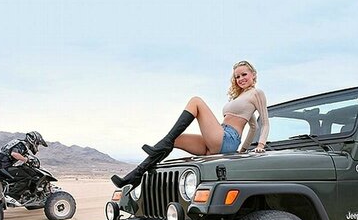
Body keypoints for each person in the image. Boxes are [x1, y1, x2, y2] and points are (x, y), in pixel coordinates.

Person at [112, 60, 269, 189]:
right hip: (218, 138)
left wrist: (259, 145)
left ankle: (163, 143)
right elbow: (252, 126)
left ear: (253, 75)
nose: (240, 78)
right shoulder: (240, 97)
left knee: (196, 101)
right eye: (237, 76)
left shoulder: (257, 93)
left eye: (244, 74)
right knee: (176, 139)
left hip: (227, 139)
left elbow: (264, 123)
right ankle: (136, 175)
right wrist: (242, 150)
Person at [0, 131, 48, 199]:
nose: (37, 145)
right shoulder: (22, 145)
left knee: (20, 171)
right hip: (2, 166)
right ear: (33, 140)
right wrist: (26, 160)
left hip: (0, 165)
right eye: (37, 143)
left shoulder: (18, 142)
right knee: (26, 178)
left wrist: (28, 159)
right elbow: (14, 154)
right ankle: (12, 197)